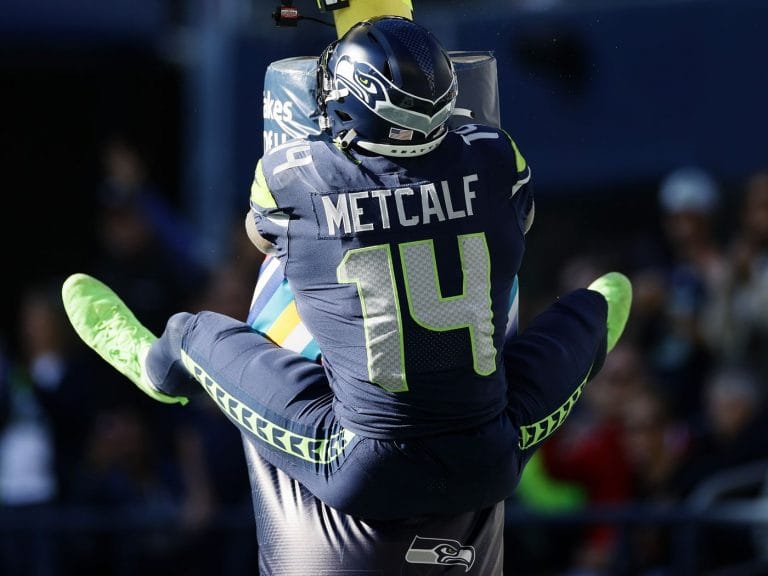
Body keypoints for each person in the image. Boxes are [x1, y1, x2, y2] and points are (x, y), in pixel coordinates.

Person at [60, 16, 631, 523]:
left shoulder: (294, 177)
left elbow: (261, 238)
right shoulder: (496, 155)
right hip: (490, 453)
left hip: (365, 461)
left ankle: (155, 370)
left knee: (191, 333)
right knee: (594, 306)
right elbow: (520, 217)